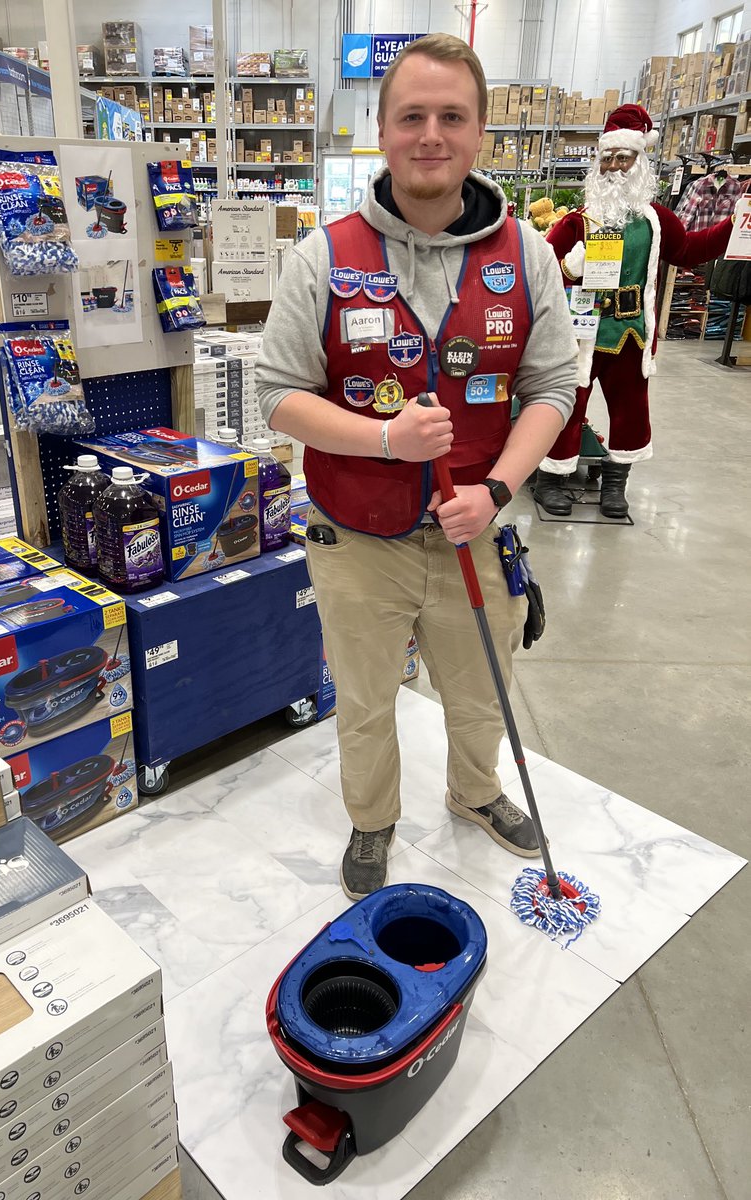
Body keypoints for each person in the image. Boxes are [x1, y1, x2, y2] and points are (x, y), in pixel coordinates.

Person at [255, 33, 578, 899]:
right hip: (357, 536)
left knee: (481, 692)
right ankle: (372, 820)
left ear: (480, 134)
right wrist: (387, 441)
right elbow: (279, 395)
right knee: (365, 702)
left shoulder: (527, 256)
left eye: (451, 117)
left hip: (475, 532)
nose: (430, 135)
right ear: (383, 131)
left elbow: (553, 387)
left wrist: (497, 490)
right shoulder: (323, 255)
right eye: (412, 116)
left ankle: (476, 793)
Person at [534, 104, 737, 518]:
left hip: (631, 332)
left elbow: (689, 250)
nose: (613, 167)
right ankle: (550, 478)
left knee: (630, 411)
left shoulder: (656, 220)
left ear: (640, 162)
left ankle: (616, 482)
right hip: (582, 332)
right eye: (607, 158)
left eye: (622, 158)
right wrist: (570, 268)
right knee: (567, 404)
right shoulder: (577, 222)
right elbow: (539, 269)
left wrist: (733, 226)